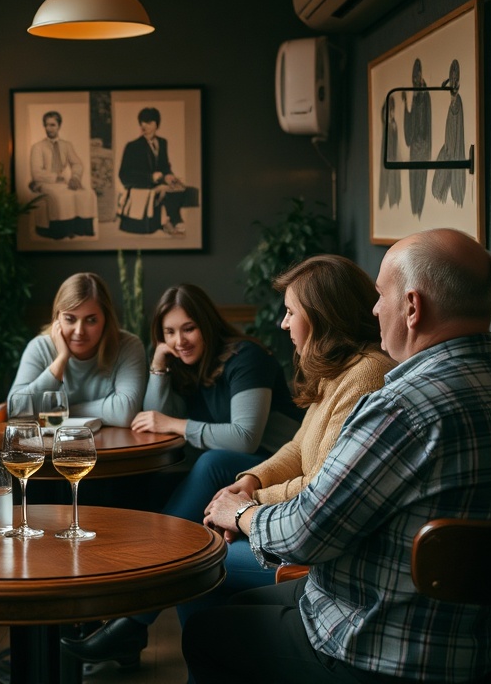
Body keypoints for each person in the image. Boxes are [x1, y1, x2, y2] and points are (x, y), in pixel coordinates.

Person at [185, 229, 491, 684]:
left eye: (380, 295)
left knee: (204, 633)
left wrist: (243, 511)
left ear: (412, 306)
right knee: (239, 605)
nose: (373, 310)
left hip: (380, 642)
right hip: (490, 646)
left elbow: (306, 535)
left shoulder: (401, 407)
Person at [67, 272, 355, 666]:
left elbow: (244, 438)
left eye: (188, 328)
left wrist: (177, 428)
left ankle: (134, 615)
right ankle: (148, 627)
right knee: (174, 508)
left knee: (214, 464)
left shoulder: (245, 357)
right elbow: (151, 417)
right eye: (169, 332)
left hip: (272, 467)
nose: (179, 340)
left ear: (207, 324)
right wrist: (157, 366)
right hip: (252, 473)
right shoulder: (187, 363)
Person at [8, 272, 146, 427]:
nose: (79, 331)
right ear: (57, 318)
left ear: (106, 319)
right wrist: (61, 360)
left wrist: (62, 412)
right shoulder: (40, 347)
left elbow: (125, 412)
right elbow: (17, 410)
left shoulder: (128, 346)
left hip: (115, 447)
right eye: (70, 319)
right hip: (51, 449)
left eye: (91, 320)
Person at [117, 107, 198, 237]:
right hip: (141, 186)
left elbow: (164, 166)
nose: (144, 125)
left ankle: (181, 221)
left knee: (189, 190)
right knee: (165, 190)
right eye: (142, 122)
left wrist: (169, 176)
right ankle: (172, 221)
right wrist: (150, 177)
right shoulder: (132, 146)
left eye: (149, 122)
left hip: (159, 184)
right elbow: (124, 176)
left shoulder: (162, 142)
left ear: (156, 124)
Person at [28, 110, 97, 239]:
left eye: (52, 125)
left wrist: (75, 177)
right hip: (44, 182)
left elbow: (77, 163)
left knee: (86, 193)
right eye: (46, 125)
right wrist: (56, 177)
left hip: (61, 182)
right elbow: (36, 172)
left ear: (59, 126)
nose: (49, 128)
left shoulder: (66, 145)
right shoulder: (38, 147)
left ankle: (81, 229)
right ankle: (61, 231)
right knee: (61, 196)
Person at [431, 58, 467, 206]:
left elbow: (456, 132)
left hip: (453, 149)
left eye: (455, 81)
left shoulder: (457, 102)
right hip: (448, 148)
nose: (453, 84)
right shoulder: (453, 102)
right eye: (451, 81)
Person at [402, 57, 431, 218]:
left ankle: (418, 209)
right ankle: (415, 210)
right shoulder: (415, 98)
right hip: (415, 147)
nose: (416, 80)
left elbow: (424, 124)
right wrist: (406, 105)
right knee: (413, 179)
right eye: (414, 78)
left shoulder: (425, 96)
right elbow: (411, 125)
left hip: (422, 146)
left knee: (420, 179)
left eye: (417, 77)